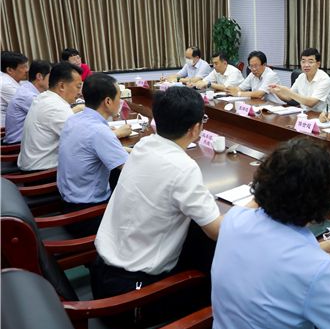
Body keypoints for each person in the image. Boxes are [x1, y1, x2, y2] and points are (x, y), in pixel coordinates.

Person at [211, 137, 330, 329]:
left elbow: (268, 258)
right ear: (326, 200)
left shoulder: (234, 218)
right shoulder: (314, 268)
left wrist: (313, 251)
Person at [93, 86, 223, 300]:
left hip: (102, 269)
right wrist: (258, 198)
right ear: (195, 128)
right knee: (207, 259)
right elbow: (217, 231)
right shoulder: (183, 167)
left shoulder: (144, 144)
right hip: (134, 291)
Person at [57, 73, 130, 225]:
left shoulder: (73, 119)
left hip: (67, 202)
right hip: (87, 214)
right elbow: (131, 168)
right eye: (119, 97)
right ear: (108, 101)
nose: (121, 101)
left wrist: (130, 150)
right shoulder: (99, 131)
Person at [17, 62, 84, 171]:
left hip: (33, 164)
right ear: (62, 86)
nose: (80, 92)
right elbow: (81, 140)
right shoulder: (56, 107)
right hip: (42, 172)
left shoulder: (44, 97)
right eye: (78, 86)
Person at [269, 47, 330, 113]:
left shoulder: (324, 79)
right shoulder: (301, 77)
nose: (306, 65)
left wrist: (288, 92)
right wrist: (276, 92)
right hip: (304, 113)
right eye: (303, 62)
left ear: (318, 64)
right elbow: (288, 98)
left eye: (310, 62)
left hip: (321, 116)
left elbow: (311, 103)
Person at [3, 60, 51, 144]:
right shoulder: (27, 96)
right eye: (51, 77)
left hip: (27, 141)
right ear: (39, 76)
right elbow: (51, 115)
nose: (54, 81)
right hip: (17, 145)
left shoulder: (29, 89)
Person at [1, 51, 29, 127]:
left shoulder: (19, 81)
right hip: (4, 129)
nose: (27, 70)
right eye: (23, 67)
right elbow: (29, 105)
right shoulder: (5, 84)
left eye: (27, 66)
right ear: (9, 70)